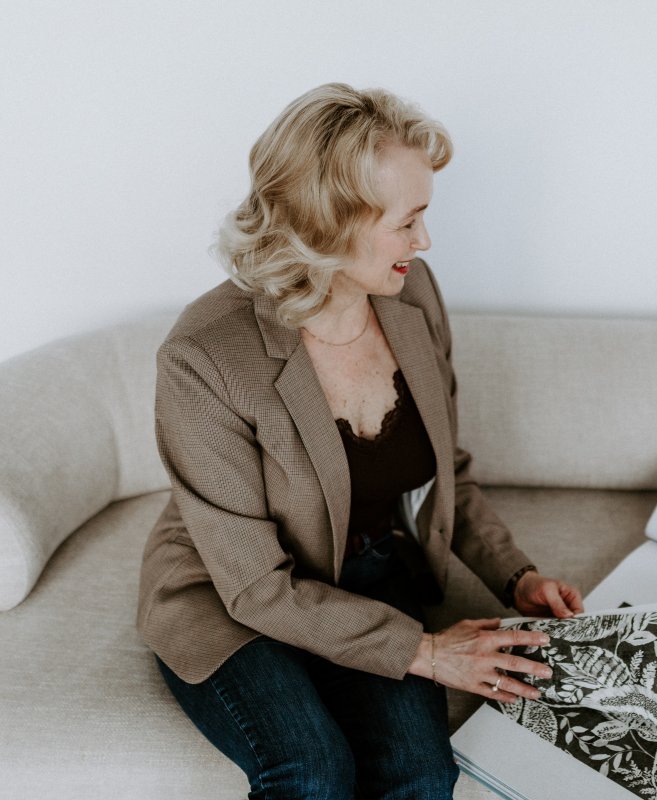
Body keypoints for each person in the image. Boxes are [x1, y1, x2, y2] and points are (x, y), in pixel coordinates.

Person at [137, 82, 584, 800]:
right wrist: (429, 651)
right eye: (407, 222)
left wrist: (516, 577)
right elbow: (256, 587)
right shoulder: (204, 356)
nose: (424, 241)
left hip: (370, 575)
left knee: (421, 775)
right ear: (328, 223)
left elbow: (445, 472)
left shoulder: (414, 295)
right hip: (233, 595)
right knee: (312, 771)